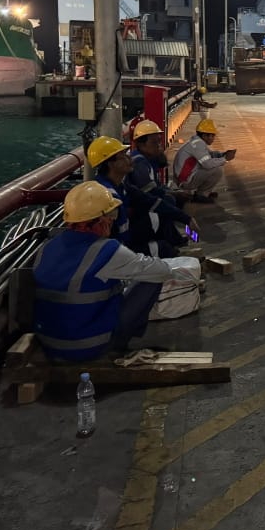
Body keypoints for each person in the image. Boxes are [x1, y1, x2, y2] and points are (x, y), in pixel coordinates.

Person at [32, 181, 175, 360]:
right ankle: (120, 343)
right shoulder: (107, 250)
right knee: (151, 279)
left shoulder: (47, 247)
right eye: (111, 215)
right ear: (99, 220)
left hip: (50, 344)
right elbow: (162, 271)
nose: (112, 220)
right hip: (88, 347)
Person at [87, 135, 198, 258]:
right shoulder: (108, 198)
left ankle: (175, 245)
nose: (129, 158)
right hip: (114, 251)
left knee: (160, 214)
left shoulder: (120, 186)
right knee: (162, 248)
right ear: (111, 164)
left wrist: (187, 219)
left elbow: (150, 201)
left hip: (124, 239)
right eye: (122, 156)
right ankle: (175, 251)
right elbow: (116, 241)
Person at [128, 119, 196, 243]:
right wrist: (173, 194)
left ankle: (173, 237)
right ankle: (168, 240)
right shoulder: (139, 163)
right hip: (137, 215)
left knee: (172, 199)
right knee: (168, 201)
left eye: (159, 141)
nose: (159, 146)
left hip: (144, 205)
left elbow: (157, 184)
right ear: (141, 144)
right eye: (155, 142)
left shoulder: (147, 159)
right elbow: (151, 193)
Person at [173, 117, 236, 202]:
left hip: (186, 177)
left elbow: (209, 155)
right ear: (204, 136)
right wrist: (225, 159)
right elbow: (207, 164)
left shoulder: (197, 142)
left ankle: (203, 193)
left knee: (215, 165)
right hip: (185, 181)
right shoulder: (198, 144)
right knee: (217, 169)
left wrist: (222, 154)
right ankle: (202, 195)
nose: (213, 138)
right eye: (212, 136)